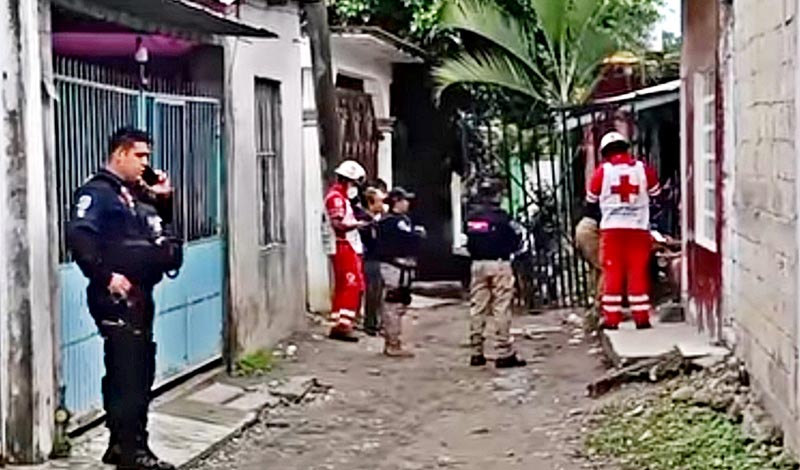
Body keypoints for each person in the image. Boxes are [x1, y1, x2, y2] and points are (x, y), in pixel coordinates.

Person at [67, 127, 182, 470]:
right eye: (140, 156)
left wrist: (164, 198)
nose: (146, 163)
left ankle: (121, 443)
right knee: (128, 371)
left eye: (147, 156)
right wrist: (106, 277)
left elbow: (160, 231)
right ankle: (133, 450)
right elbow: (79, 237)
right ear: (120, 154)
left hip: (141, 294)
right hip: (115, 296)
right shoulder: (97, 193)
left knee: (136, 367)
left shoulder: (135, 195)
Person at [586, 131, 661, 330]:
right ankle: (641, 318)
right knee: (637, 272)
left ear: (604, 152)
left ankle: (612, 319)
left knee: (612, 273)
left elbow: (591, 199)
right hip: (638, 229)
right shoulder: (643, 169)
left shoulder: (602, 172)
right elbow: (656, 193)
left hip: (612, 231)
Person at [465, 181, 527, 368]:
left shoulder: (472, 218)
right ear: (497, 196)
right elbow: (516, 238)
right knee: (501, 307)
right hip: (499, 264)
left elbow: (468, 240)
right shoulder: (502, 218)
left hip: (477, 264)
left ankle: (476, 351)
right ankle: (504, 352)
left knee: (478, 307)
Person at [377, 187, 425, 357]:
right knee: (393, 302)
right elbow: (407, 240)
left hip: (401, 268)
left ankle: (393, 340)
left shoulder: (400, 220)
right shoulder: (390, 222)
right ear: (397, 202)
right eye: (404, 200)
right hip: (394, 267)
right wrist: (416, 234)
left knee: (400, 302)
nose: (407, 203)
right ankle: (392, 343)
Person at [325, 160, 369, 342]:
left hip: (347, 244)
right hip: (343, 244)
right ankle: (344, 324)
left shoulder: (342, 198)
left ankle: (339, 322)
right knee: (351, 285)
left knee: (345, 285)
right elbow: (337, 224)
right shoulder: (336, 198)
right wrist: (358, 225)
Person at [360, 187, 387, 336]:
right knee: (373, 292)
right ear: (371, 203)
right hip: (370, 259)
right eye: (380, 201)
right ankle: (371, 324)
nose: (383, 204)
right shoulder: (365, 220)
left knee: (377, 293)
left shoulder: (375, 219)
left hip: (376, 259)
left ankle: (375, 323)